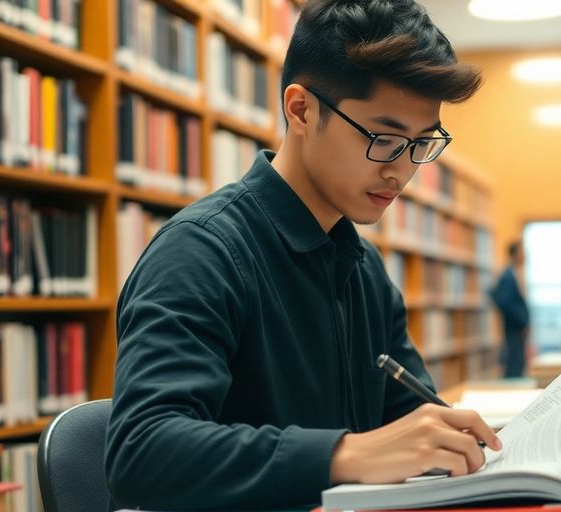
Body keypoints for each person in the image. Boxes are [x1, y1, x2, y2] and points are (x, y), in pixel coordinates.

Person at [104, 1, 501, 509]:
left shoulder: (365, 270)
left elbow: (410, 422)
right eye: (384, 139)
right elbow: (141, 450)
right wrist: (346, 454)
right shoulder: (201, 252)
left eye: (421, 144)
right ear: (301, 110)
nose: (401, 172)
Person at [490, 241, 530, 378]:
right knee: (514, 363)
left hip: (516, 327)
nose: (525, 255)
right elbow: (503, 301)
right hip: (514, 327)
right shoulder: (508, 276)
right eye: (522, 252)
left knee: (517, 362)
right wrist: (521, 321)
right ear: (515, 254)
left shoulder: (514, 273)